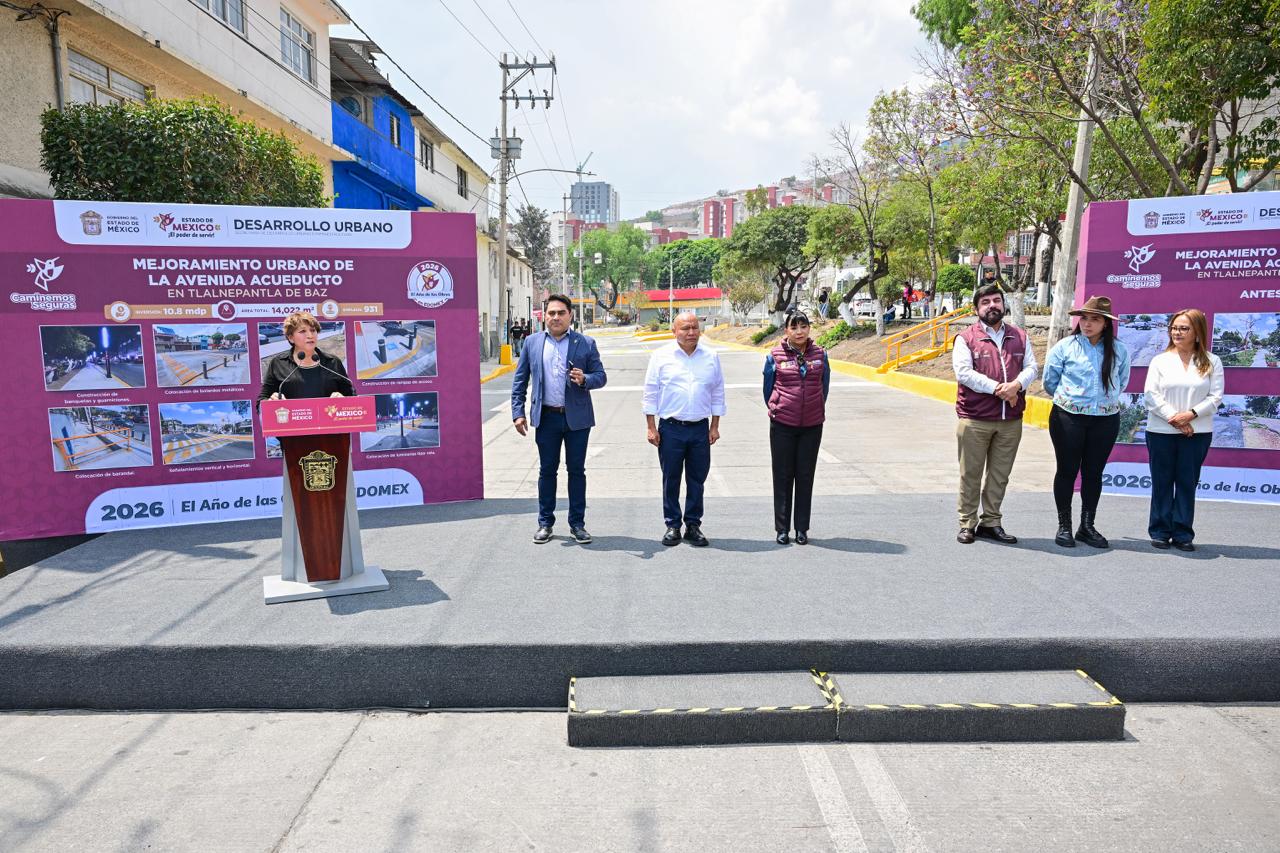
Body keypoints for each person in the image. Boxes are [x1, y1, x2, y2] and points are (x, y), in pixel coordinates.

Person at [511, 294, 607, 544]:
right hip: (547, 418)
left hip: (577, 420)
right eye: (551, 313)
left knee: (576, 471)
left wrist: (585, 379)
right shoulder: (532, 343)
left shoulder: (585, 343)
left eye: (561, 313)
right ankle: (545, 523)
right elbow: (520, 380)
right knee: (547, 471)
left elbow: (601, 376)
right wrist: (517, 413)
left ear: (570, 315)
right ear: (545, 316)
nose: (555, 317)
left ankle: (577, 524)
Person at [951, 283, 1039, 544]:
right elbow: (964, 373)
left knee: (1000, 476)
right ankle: (967, 523)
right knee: (971, 474)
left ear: (1003, 304)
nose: (992, 306)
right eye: (986, 302)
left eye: (996, 301)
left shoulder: (1020, 336)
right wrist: (1000, 389)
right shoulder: (966, 338)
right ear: (976, 309)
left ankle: (991, 522)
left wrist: (1016, 386)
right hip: (975, 419)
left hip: (1010, 420)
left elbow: (1032, 367)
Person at [1042, 296, 1131, 549]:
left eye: (1095, 319)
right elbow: (1050, 381)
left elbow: (1122, 380)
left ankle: (1087, 526)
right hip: (1067, 417)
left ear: (1106, 323)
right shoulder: (1065, 347)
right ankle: (1064, 526)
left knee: (1093, 473)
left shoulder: (1119, 349)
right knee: (1067, 470)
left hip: (1105, 419)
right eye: (1084, 318)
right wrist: (1074, 401)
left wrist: (1102, 401)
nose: (1087, 324)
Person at [642, 311, 726, 547]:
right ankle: (672, 525)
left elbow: (718, 392)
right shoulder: (661, 356)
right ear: (674, 331)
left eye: (694, 327)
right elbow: (650, 392)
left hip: (700, 429)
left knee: (697, 478)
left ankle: (693, 525)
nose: (691, 332)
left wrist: (715, 425)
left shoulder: (711, 356)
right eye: (685, 328)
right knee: (671, 478)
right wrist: (651, 427)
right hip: (670, 429)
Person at [1144, 308, 1224, 552]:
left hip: (1197, 433)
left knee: (1187, 483)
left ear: (1197, 332)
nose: (1177, 332)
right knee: (1162, 482)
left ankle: (1182, 533)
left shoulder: (1212, 361)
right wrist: (1175, 418)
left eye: (1183, 328)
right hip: (1161, 431)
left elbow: (1215, 397)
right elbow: (1151, 395)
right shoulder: (1160, 361)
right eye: (1174, 328)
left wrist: (1191, 415)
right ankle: (1159, 531)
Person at [763, 312, 830, 544]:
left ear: (809, 328)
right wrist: (779, 407)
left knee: (805, 475)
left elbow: (824, 387)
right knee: (782, 476)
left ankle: (802, 528)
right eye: (794, 327)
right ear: (786, 331)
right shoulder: (774, 356)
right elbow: (768, 389)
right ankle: (782, 529)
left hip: (812, 425)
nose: (799, 331)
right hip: (782, 424)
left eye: (803, 326)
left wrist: (813, 407)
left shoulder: (821, 354)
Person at [258, 311, 352, 404]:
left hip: (329, 413)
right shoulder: (278, 363)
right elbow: (262, 400)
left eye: (313, 330)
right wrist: (271, 402)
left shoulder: (333, 362)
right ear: (291, 338)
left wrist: (343, 399)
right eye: (302, 331)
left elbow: (351, 396)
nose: (310, 336)